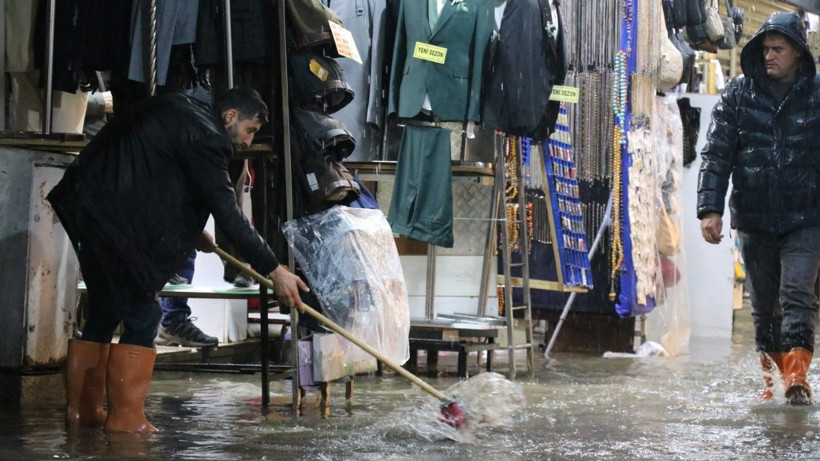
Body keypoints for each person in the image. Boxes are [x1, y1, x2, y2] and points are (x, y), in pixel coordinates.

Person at [48, 86, 309, 433]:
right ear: (230, 116)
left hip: (84, 202)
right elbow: (229, 214)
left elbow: (156, 172)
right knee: (144, 316)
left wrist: (191, 229)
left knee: (107, 308)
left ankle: (83, 413)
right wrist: (274, 270)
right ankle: (126, 423)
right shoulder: (208, 135)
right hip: (109, 219)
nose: (247, 142)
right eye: (250, 130)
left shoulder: (177, 105)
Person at [697, 12, 820, 405]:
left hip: (807, 216)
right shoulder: (738, 93)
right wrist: (709, 209)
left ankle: (797, 379)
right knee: (765, 307)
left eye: (778, 49)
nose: (770, 56)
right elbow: (717, 154)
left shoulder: (818, 93)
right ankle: (773, 379)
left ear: (798, 53)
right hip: (754, 218)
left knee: (797, 295)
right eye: (765, 48)